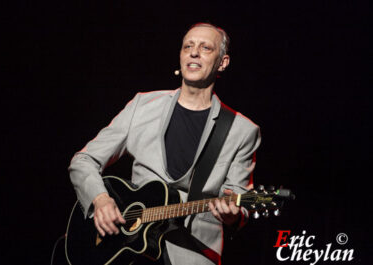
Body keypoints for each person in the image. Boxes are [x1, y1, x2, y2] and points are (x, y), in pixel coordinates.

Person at [69, 22, 261, 265]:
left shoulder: (241, 130)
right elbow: (83, 160)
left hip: (193, 251)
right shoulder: (142, 105)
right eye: (188, 46)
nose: (194, 52)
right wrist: (101, 200)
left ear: (222, 62)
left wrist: (233, 215)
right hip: (129, 247)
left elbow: (240, 200)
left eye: (205, 48)